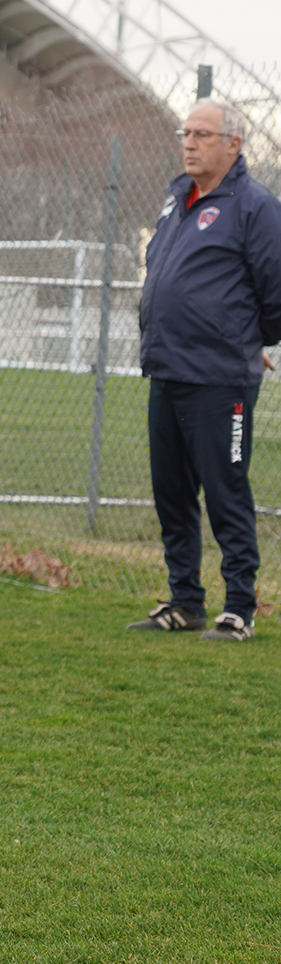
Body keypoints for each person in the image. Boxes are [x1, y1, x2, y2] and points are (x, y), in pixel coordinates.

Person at [131, 98, 281, 642]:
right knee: (171, 491)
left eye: (202, 134)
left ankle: (240, 606)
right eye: (185, 132)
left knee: (225, 490)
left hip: (221, 380)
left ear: (233, 145)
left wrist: (248, 340)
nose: (188, 143)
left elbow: (275, 289)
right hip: (167, 369)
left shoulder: (255, 207)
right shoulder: (177, 202)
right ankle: (184, 600)